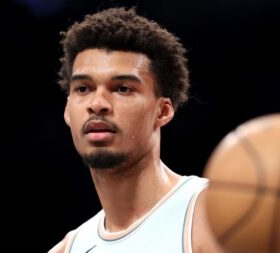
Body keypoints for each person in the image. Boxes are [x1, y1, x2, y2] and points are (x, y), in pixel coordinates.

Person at [48, 7, 223, 253]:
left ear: (162, 112)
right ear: (68, 111)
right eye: (83, 88)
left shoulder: (214, 216)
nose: (97, 104)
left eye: (122, 89)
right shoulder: (67, 249)